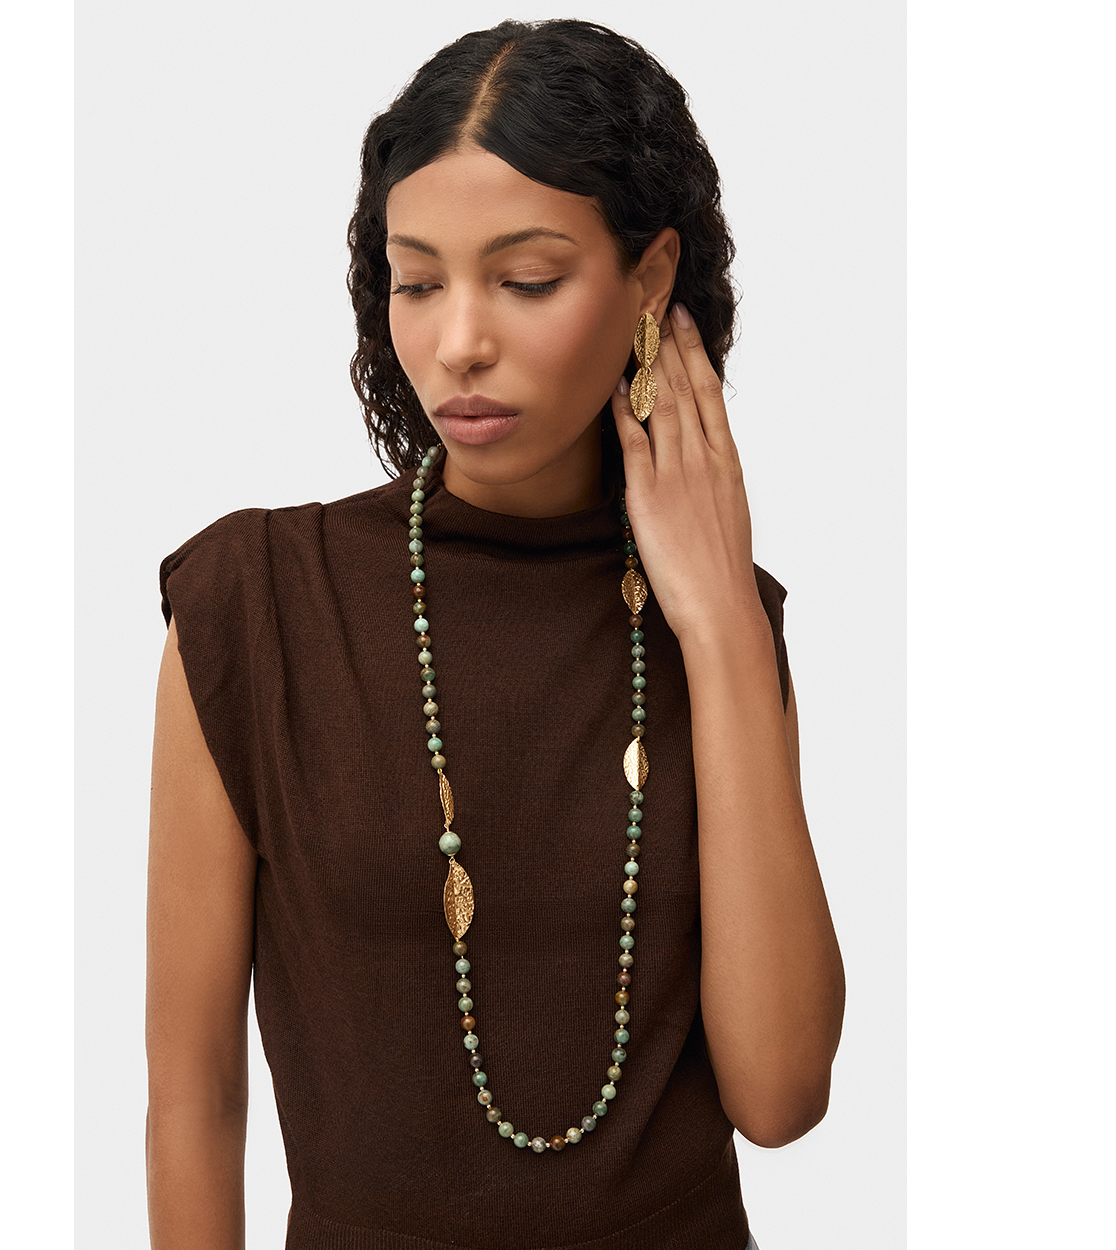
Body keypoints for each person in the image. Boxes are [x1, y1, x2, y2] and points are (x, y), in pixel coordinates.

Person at [145, 19, 844, 1250]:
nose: (459, 341)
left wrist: (723, 628)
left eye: (524, 280)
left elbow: (778, 1093)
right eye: (417, 282)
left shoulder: (723, 624)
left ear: (648, 277)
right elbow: (192, 1098)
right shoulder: (256, 600)